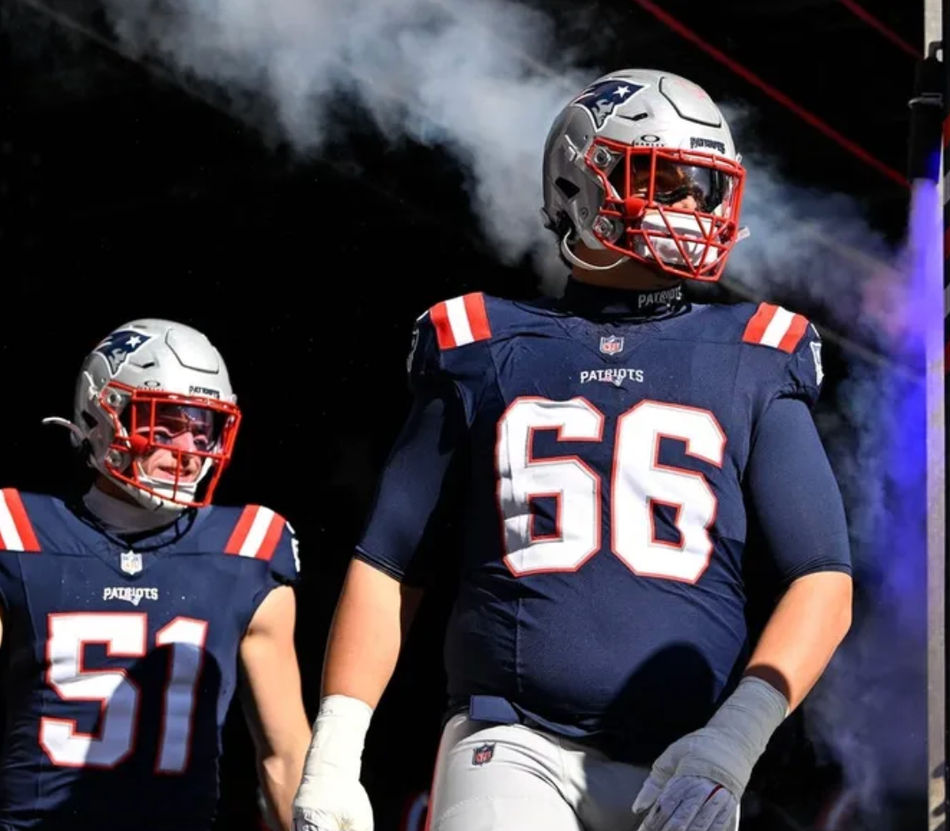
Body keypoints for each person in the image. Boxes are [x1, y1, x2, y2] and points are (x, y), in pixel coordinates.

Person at [293, 68, 853, 831]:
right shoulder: (484, 343)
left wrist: (734, 737)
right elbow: (390, 564)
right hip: (511, 737)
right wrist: (335, 748)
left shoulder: (753, 350)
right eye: (665, 179)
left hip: (686, 755)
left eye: (703, 186)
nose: (690, 204)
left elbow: (823, 578)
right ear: (578, 186)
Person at [0, 319, 310, 831]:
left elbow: (284, 756)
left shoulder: (249, 548)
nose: (188, 450)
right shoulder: (20, 534)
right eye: (164, 424)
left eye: (202, 426)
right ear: (101, 415)